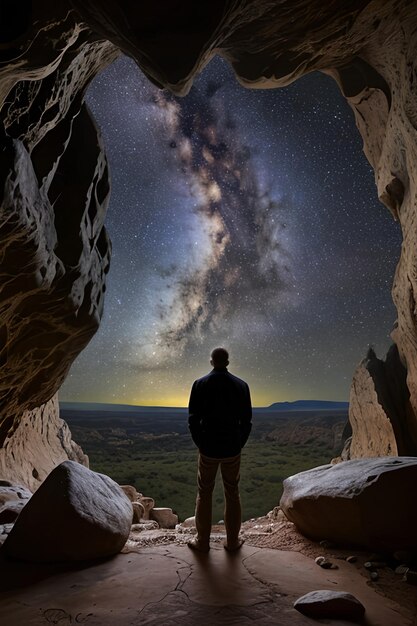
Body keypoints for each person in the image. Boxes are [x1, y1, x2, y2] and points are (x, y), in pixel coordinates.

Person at [187, 347, 252, 553]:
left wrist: (201, 442)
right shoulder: (242, 385)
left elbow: (193, 419)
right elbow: (247, 420)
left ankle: (203, 542)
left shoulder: (199, 384)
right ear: (228, 362)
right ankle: (232, 542)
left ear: (211, 361)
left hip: (208, 447)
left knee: (204, 492)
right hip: (232, 446)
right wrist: (238, 442)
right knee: (232, 492)